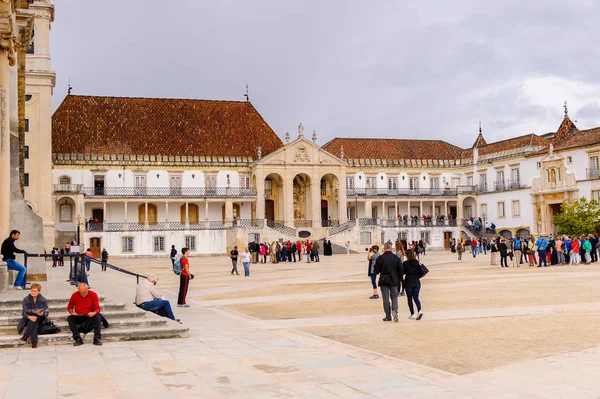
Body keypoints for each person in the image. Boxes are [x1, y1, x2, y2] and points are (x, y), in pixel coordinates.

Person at [374, 241, 404, 322]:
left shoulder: (380, 258)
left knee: (385, 298)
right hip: (394, 279)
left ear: (384, 248)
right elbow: (401, 270)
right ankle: (395, 311)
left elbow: (376, 271)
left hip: (384, 279)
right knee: (394, 297)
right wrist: (399, 278)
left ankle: (388, 316)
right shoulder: (396, 258)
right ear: (391, 248)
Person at [18, 283, 48, 348]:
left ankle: (26, 335)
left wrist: (42, 313)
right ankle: (34, 342)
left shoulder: (43, 300)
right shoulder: (26, 299)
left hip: (40, 318)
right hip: (28, 318)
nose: (33, 292)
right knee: (33, 321)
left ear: (39, 292)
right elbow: (24, 313)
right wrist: (29, 317)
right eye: (32, 290)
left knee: (35, 319)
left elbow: (46, 312)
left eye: (35, 291)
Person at [403, 249, 424, 320]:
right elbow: (421, 272)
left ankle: (412, 314)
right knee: (416, 298)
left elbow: (402, 272)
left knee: (409, 298)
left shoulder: (405, 263)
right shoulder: (416, 262)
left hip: (408, 281)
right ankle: (420, 310)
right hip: (416, 281)